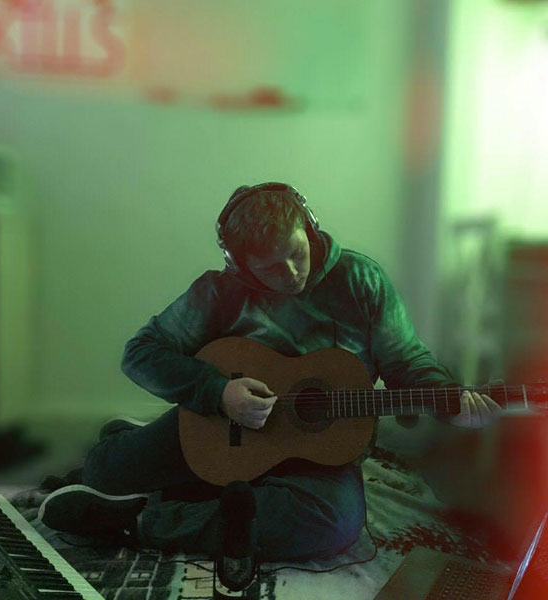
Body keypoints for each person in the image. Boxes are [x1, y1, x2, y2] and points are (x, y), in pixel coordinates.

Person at [39, 182, 502, 562]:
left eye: (296, 253)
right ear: (240, 264)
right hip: (224, 430)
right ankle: (143, 449)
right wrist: (218, 392)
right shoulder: (219, 292)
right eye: (270, 268)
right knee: (102, 472)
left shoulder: (362, 280)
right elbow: (139, 353)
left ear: (308, 225)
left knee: (333, 526)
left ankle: (139, 520)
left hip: (321, 454)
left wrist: (448, 400)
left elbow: (405, 360)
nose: (290, 273)